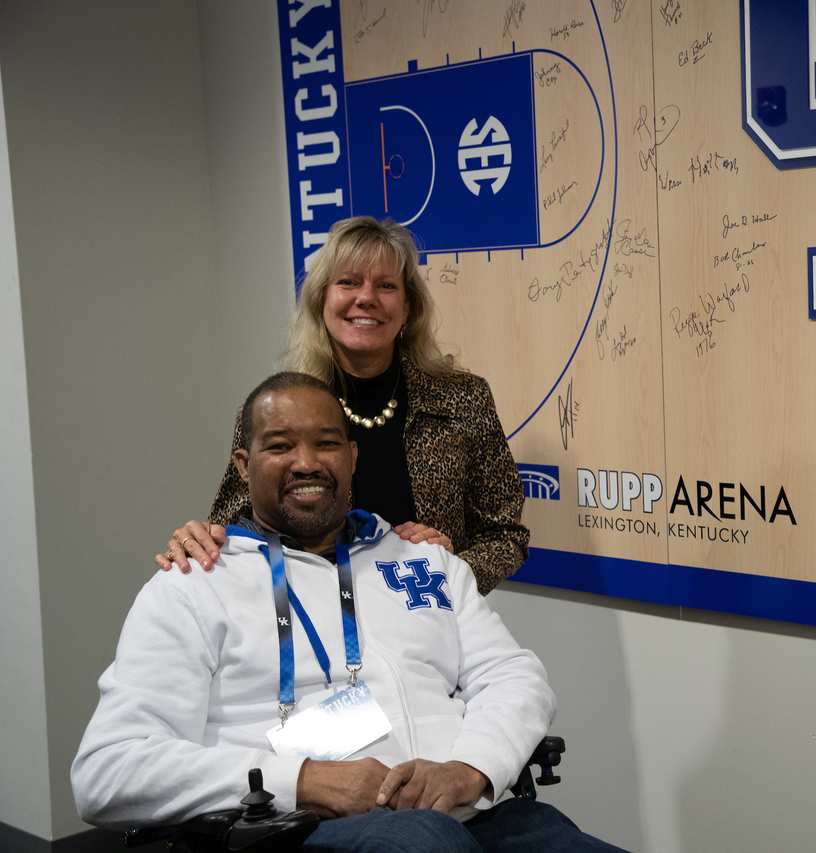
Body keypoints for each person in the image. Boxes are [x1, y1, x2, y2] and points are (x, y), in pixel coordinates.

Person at [73, 373, 623, 852]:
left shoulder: (423, 560)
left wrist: (470, 769)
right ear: (243, 465)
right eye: (280, 445)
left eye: (327, 443)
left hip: (470, 813)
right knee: (423, 842)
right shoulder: (196, 584)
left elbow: (512, 676)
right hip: (300, 829)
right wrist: (305, 781)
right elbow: (108, 772)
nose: (307, 462)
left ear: (353, 457)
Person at [158, 216, 527, 595]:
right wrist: (196, 543)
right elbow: (231, 528)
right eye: (348, 282)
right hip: (303, 628)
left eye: (386, 285)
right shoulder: (271, 411)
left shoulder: (463, 400)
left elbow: (506, 535)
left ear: (407, 307)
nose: (366, 297)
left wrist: (450, 571)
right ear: (322, 299)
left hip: (430, 625)